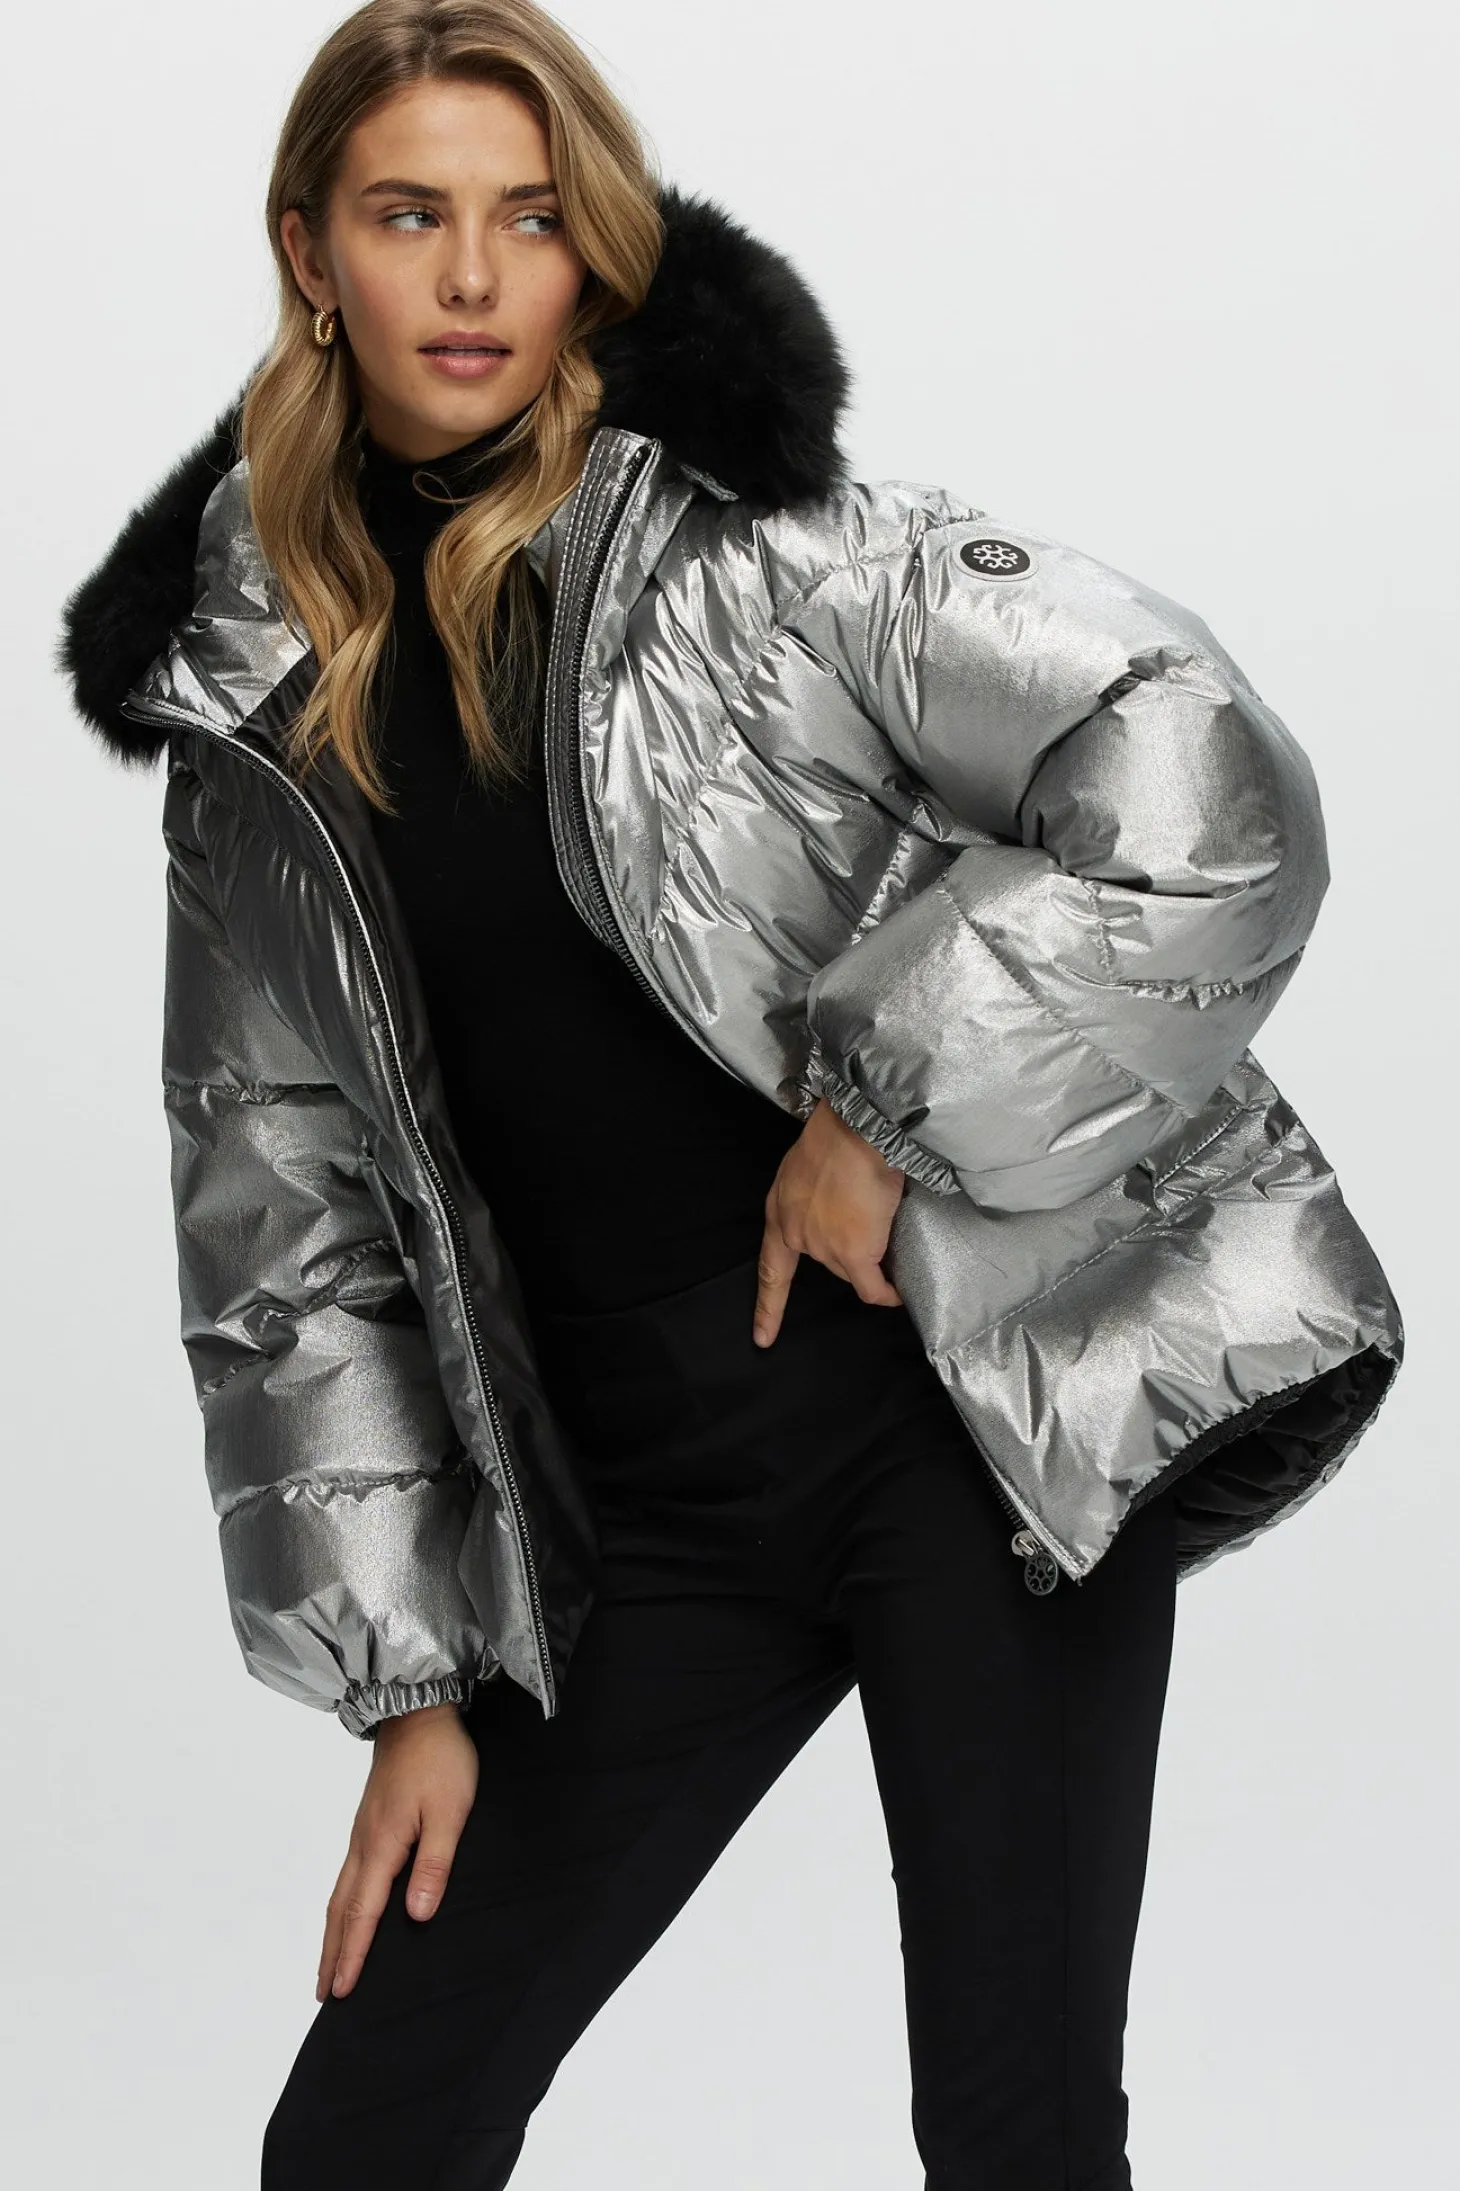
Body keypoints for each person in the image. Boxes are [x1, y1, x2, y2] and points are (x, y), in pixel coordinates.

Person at [58, 2, 1403, 2184]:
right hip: (637, 1514)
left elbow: (1195, 764)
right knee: (370, 2134)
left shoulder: (757, 548)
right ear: (310, 252)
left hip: (951, 1414)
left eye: (530, 219)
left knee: (1017, 2132)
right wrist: (412, 1677)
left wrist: (884, 1107)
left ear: (592, 246)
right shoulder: (245, 724)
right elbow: (284, 1223)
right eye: (409, 216)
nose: (474, 279)